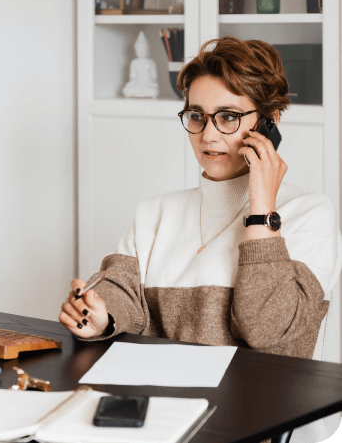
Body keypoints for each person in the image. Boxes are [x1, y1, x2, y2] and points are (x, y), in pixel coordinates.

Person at [59, 36, 342, 443]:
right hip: (158, 418)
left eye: (227, 116)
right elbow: (122, 293)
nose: (208, 135)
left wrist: (261, 209)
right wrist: (100, 315)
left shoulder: (309, 213)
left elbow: (268, 331)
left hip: (255, 425)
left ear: (270, 121)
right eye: (197, 115)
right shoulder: (155, 212)